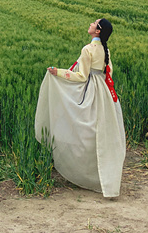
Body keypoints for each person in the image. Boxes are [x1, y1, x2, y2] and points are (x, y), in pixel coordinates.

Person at [34, 17, 126, 198]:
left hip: (90, 90)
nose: (91, 23)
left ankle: (83, 174)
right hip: (104, 94)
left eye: (94, 23)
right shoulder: (105, 50)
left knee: (81, 129)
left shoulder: (87, 49)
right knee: (100, 132)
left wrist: (58, 72)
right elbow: (109, 72)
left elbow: (82, 76)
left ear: (98, 31)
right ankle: (103, 176)